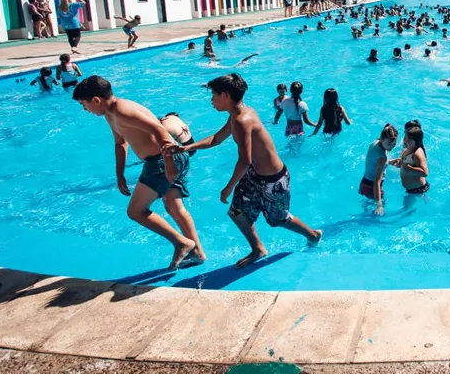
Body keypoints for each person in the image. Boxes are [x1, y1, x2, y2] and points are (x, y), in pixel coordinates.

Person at [171, 73, 321, 268]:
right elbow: (217, 138)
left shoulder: (243, 120)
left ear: (225, 95)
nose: (211, 100)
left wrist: (228, 188)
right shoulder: (236, 115)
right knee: (237, 212)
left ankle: (313, 235)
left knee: (278, 219)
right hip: (255, 174)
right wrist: (187, 147)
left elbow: (244, 160)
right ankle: (258, 249)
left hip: (273, 180)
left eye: (213, 95)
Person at [73, 76, 204, 269]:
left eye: (84, 104)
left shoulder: (122, 111)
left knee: (135, 211)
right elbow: (120, 143)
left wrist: (168, 163)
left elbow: (158, 129)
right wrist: (120, 174)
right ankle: (197, 252)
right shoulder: (111, 113)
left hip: (163, 160)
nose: (85, 109)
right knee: (174, 207)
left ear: (96, 100)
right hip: (168, 157)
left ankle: (181, 243)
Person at [359, 124, 398, 215]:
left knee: (367, 208)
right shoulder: (382, 157)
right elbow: (377, 181)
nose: (391, 147)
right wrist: (379, 205)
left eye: (394, 144)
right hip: (372, 188)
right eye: (389, 144)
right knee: (377, 214)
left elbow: (374, 162)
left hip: (364, 183)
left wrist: (389, 162)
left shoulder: (376, 142)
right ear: (382, 139)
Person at [390, 125, 430, 196]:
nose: (405, 140)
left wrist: (408, 168)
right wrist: (397, 163)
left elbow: (425, 173)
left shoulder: (417, 153)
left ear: (415, 142)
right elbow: (402, 164)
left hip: (419, 189)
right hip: (410, 189)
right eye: (405, 137)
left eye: (408, 139)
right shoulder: (405, 151)